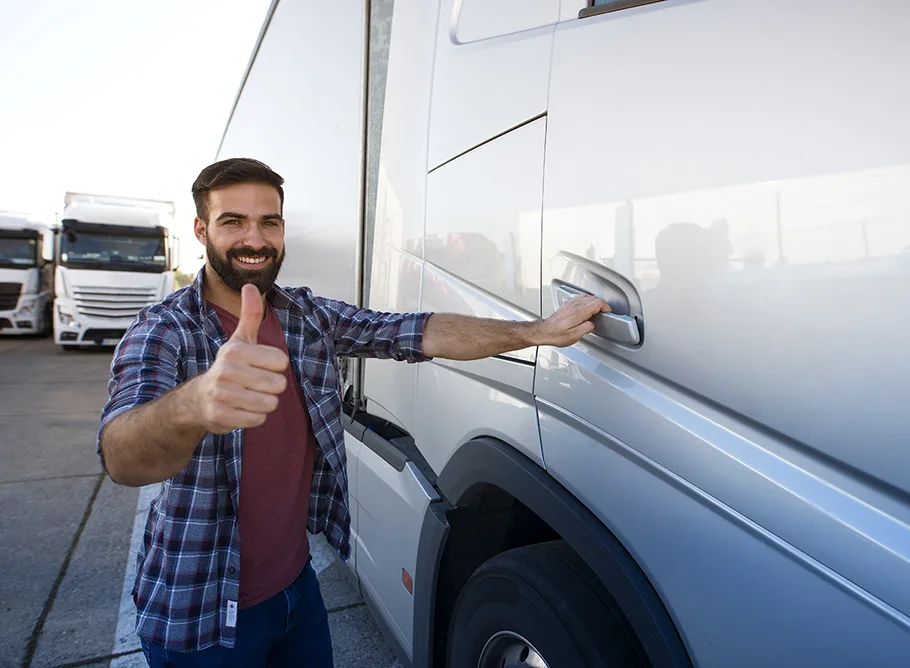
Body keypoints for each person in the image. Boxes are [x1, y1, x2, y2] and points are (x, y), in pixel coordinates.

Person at [97, 158, 609, 667]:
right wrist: (196, 402)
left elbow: (416, 330)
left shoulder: (304, 314)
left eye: (269, 222)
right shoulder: (165, 330)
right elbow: (122, 457)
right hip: (204, 612)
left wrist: (535, 333)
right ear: (201, 230)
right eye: (234, 222)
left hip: (296, 589)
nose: (255, 239)